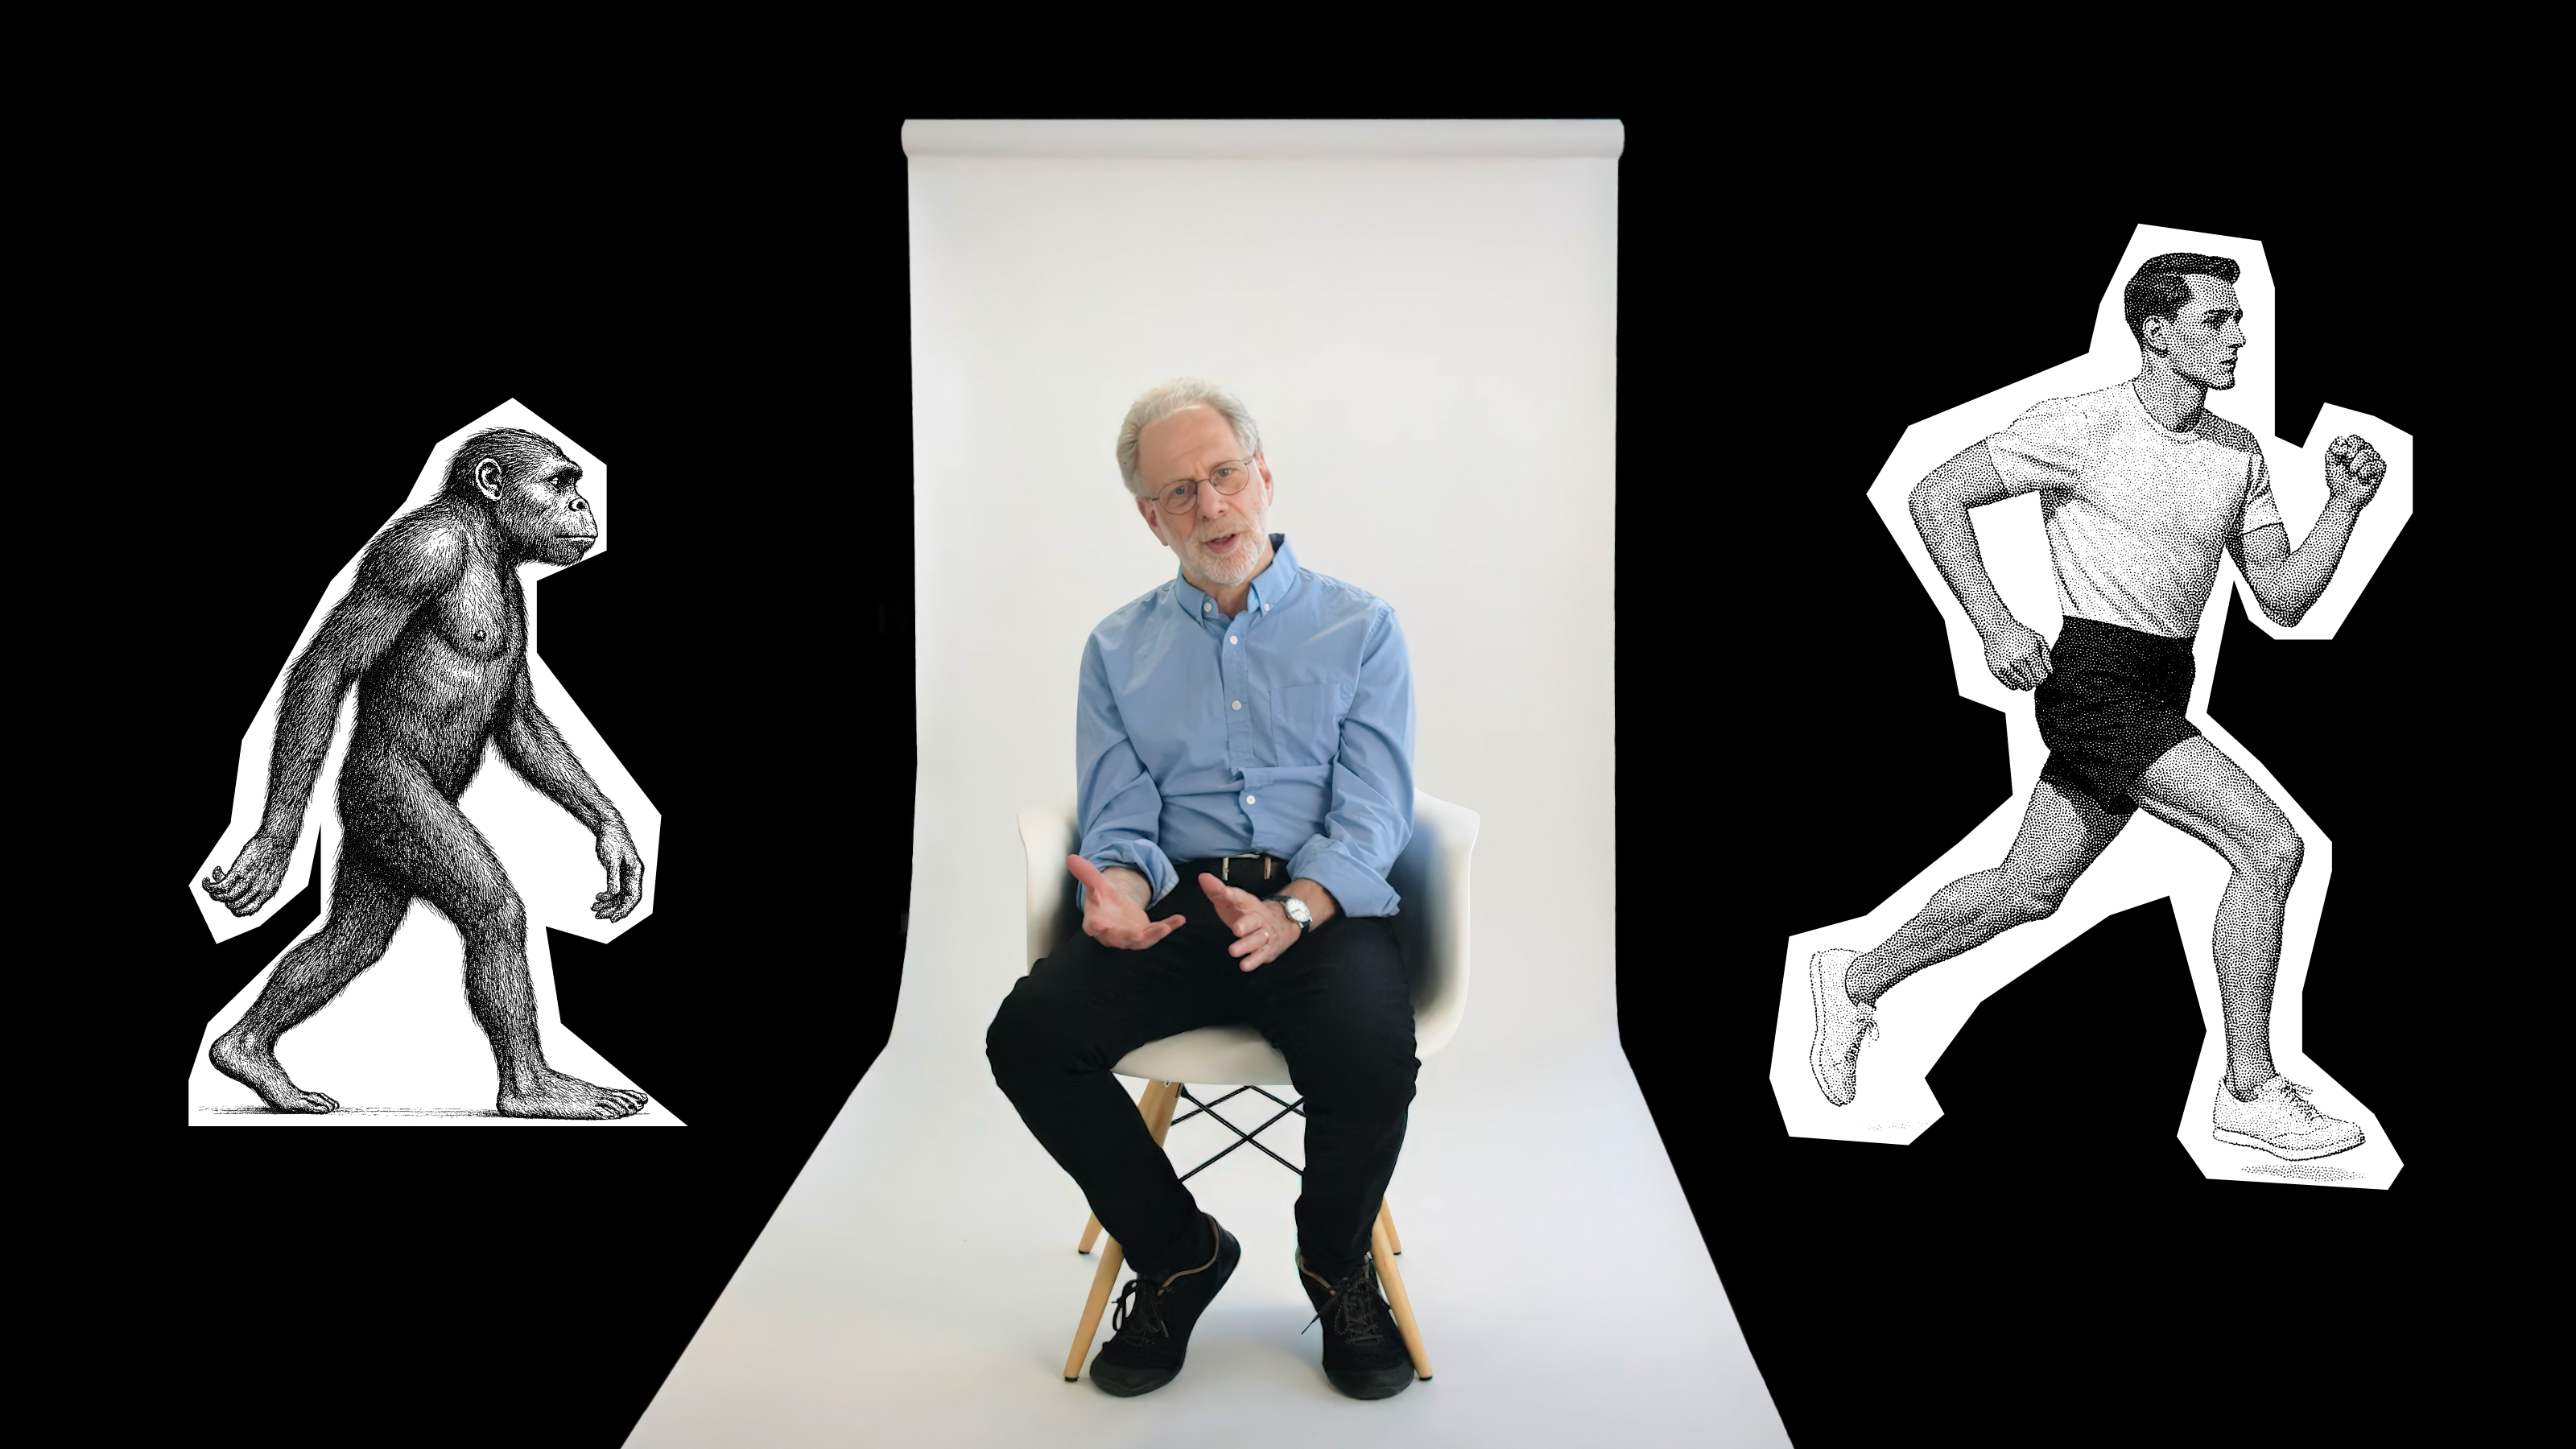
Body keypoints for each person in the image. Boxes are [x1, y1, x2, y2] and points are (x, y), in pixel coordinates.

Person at [1806, 254, 2388, 1162]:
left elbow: (2279, 596)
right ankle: (2246, 1086)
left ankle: (1852, 980)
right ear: (2156, 332)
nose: (2238, 335)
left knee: (2028, 890)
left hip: (2160, 681)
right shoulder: (2083, 425)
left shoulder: (2237, 455)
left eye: (2238, 319)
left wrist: (2344, 509)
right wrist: (1994, 625)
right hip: (2093, 679)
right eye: (2215, 320)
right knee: (2268, 846)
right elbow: (1934, 494)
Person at [986, 378, 1422, 1398]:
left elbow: (1372, 814)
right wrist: (1124, 892)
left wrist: (1297, 909)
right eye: (1178, 492)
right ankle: (1179, 1256)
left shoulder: (1361, 626)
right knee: (1030, 1038)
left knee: (1368, 1054)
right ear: (1149, 517)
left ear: (1262, 476)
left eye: (1224, 475)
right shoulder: (1114, 648)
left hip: (1314, 905)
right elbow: (1120, 815)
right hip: (1181, 906)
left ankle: (1334, 1266)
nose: (1210, 506)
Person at [201, 427, 649, 1120]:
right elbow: (323, 668)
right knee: (496, 911)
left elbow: (520, 723)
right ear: (493, 483)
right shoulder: (434, 546)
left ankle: (246, 1041)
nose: (581, 509)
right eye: (560, 485)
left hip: (421, 787)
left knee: (356, 935)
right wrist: (277, 831)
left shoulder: (498, 574)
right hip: (391, 781)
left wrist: (605, 816)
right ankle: (525, 1081)